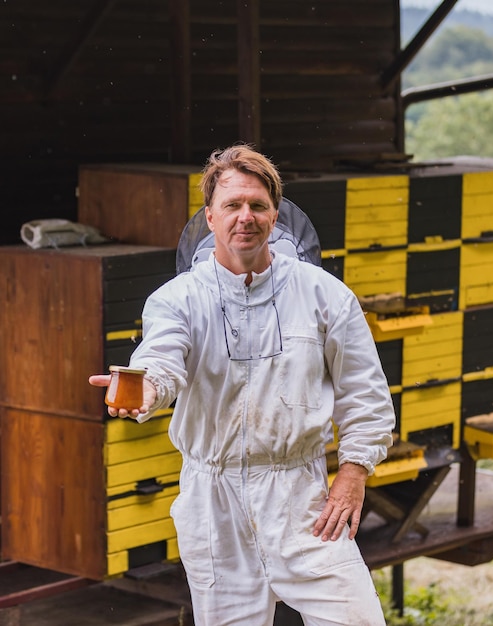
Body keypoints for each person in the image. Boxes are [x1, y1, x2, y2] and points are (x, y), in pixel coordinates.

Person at [89, 144, 395, 626]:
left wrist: (354, 472)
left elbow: (366, 393)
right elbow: (162, 357)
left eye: (258, 205)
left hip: (303, 500)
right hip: (214, 504)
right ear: (210, 217)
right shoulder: (177, 299)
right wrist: (145, 387)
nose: (245, 217)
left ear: (276, 215)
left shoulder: (325, 294)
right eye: (232, 205)